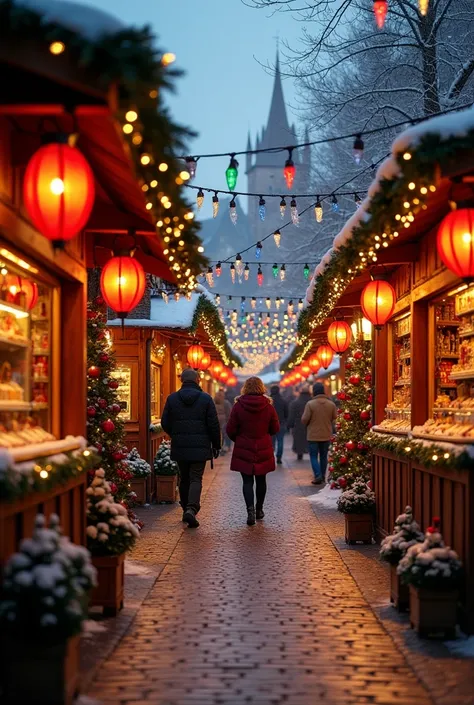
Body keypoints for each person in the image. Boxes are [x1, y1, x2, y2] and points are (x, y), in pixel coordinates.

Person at [161, 368, 221, 528]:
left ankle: (185, 509)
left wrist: (175, 434)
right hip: (200, 447)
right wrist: (216, 444)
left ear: (182, 380)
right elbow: (213, 425)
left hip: (180, 445)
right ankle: (191, 509)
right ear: (197, 381)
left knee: (184, 477)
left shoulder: (172, 398)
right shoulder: (206, 399)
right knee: (196, 477)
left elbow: (164, 422)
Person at [226, 376, 280, 526]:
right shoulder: (268, 406)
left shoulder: (238, 406)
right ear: (261, 387)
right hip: (262, 446)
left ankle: (249, 510)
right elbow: (275, 428)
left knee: (247, 481)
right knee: (261, 480)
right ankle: (259, 509)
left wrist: (239, 439)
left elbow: (230, 428)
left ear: (245, 388)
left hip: (244, 446)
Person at [301, 382, 337, 485]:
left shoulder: (310, 404)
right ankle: (323, 475)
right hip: (326, 434)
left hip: (313, 435)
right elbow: (335, 418)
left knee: (313, 456)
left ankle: (317, 475)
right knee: (323, 456)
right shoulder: (331, 404)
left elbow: (304, 419)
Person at [287, 384, 311, 460]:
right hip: (311, 425)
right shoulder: (312, 402)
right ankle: (311, 454)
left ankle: (299, 455)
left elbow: (291, 415)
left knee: (299, 441)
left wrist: (290, 425)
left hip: (298, 425)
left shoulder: (295, 403)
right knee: (310, 441)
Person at [269, 385, 288, 464]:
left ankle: (270, 457)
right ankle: (279, 457)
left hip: (270, 424)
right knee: (280, 441)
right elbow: (287, 413)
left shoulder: (268, 401)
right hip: (281, 423)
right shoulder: (283, 401)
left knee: (271, 442)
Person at [214, 388, 232, 454]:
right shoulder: (226, 403)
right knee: (224, 434)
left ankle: (218, 447)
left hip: (215, 420)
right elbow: (229, 412)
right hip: (224, 420)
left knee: (217, 434)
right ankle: (225, 447)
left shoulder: (213, 402)